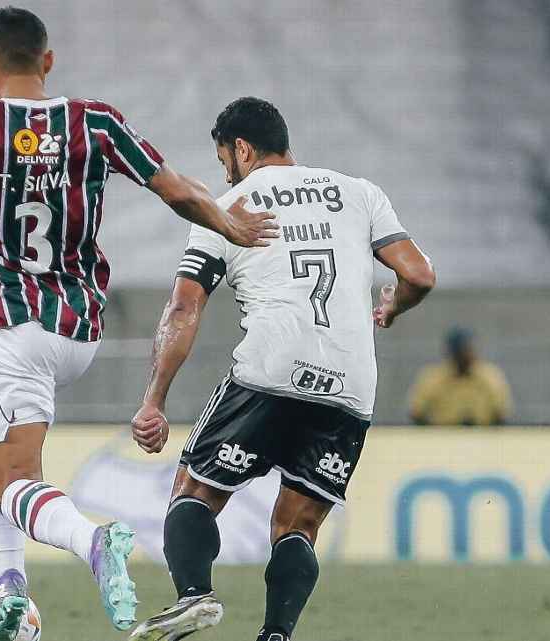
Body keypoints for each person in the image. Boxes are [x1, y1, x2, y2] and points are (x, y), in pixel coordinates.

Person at [0, 8, 276, 641]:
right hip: (78, 329)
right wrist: (227, 224)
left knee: (18, 481)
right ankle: (8, 578)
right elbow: (176, 187)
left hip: (8, 324)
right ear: (47, 61)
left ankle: (92, 541)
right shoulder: (95, 123)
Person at [128, 97, 436, 641]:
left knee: (194, 492)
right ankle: (276, 634)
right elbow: (419, 274)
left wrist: (154, 399)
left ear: (241, 149)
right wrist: (392, 307)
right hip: (350, 385)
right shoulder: (360, 193)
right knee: (297, 527)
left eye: (225, 157)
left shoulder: (227, 208)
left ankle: (195, 596)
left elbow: (183, 308)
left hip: (271, 370)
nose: (225, 169)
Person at [408, 327, 512, 426]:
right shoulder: (433, 377)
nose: (469, 355)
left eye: (471, 350)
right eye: (465, 350)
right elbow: (417, 413)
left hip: (482, 436)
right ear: (453, 352)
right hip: (443, 437)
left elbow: (501, 413)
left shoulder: (490, 375)